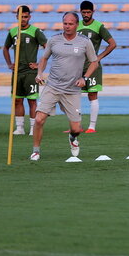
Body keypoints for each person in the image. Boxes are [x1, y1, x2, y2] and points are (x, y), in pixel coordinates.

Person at [30, 12, 98, 161]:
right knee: (39, 119)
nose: (67, 26)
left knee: (76, 129)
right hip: (52, 86)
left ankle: (73, 137)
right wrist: (39, 73)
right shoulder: (54, 40)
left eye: (70, 23)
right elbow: (44, 58)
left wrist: (85, 78)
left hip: (72, 90)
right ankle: (36, 151)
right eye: (65, 23)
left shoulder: (84, 42)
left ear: (77, 25)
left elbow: (94, 62)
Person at [2, 5, 47, 136]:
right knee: (17, 100)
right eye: (21, 17)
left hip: (30, 73)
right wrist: (10, 64)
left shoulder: (35, 31)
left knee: (32, 101)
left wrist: (39, 65)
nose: (23, 19)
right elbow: (5, 48)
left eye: (25, 17)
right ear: (16, 17)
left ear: (29, 17)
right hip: (17, 73)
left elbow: (47, 47)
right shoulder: (12, 32)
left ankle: (33, 128)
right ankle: (20, 128)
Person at [76, 0, 117, 133]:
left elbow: (112, 44)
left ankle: (92, 126)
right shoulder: (76, 25)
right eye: (84, 12)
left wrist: (99, 57)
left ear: (93, 12)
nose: (86, 14)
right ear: (80, 12)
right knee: (74, 96)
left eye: (88, 12)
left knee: (92, 95)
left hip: (92, 67)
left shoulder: (99, 26)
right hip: (76, 67)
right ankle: (77, 126)